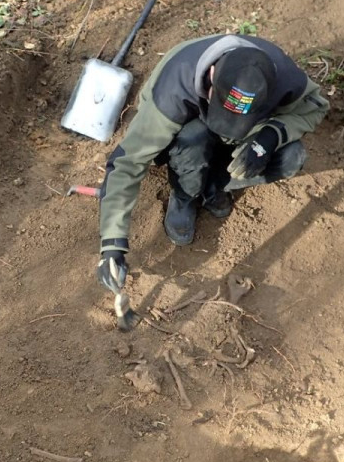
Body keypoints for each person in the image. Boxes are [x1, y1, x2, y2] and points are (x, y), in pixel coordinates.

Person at [96, 34, 329, 294]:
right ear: (213, 74)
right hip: (186, 132)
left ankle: (214, 186)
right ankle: (185, 195)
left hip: (245, 131)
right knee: (192, 141)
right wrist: (112, 246)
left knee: (292, 156)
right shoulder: (173, 88)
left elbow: (315, 108)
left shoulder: (284, 77)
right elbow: (126, 163)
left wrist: (269, 136)